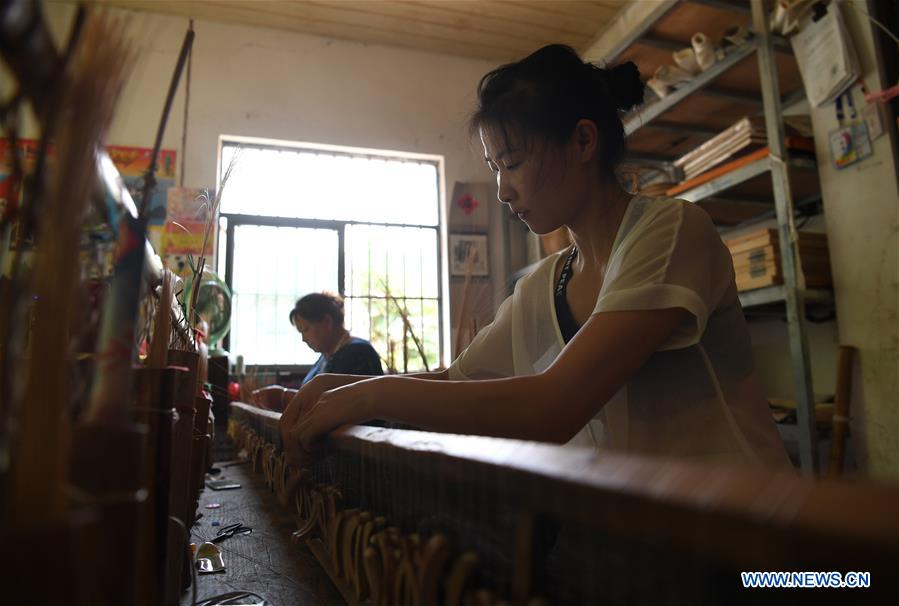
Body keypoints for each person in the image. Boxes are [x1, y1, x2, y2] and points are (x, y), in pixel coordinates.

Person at [279, 44, 790, 469]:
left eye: (514, 162)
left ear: (583, 141)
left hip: (745, 540)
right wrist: (335, 383)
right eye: (494, 168)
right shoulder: (546, 281)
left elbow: (555, 405)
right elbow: (461, 379)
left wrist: (367, 395)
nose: (503, 191)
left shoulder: (669, 231)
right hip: (645, 541)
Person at [290, 292, 383, 384]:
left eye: (306, 330)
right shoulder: (327, 355)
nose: (304, 339)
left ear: (327, 322)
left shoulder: (358, 353)